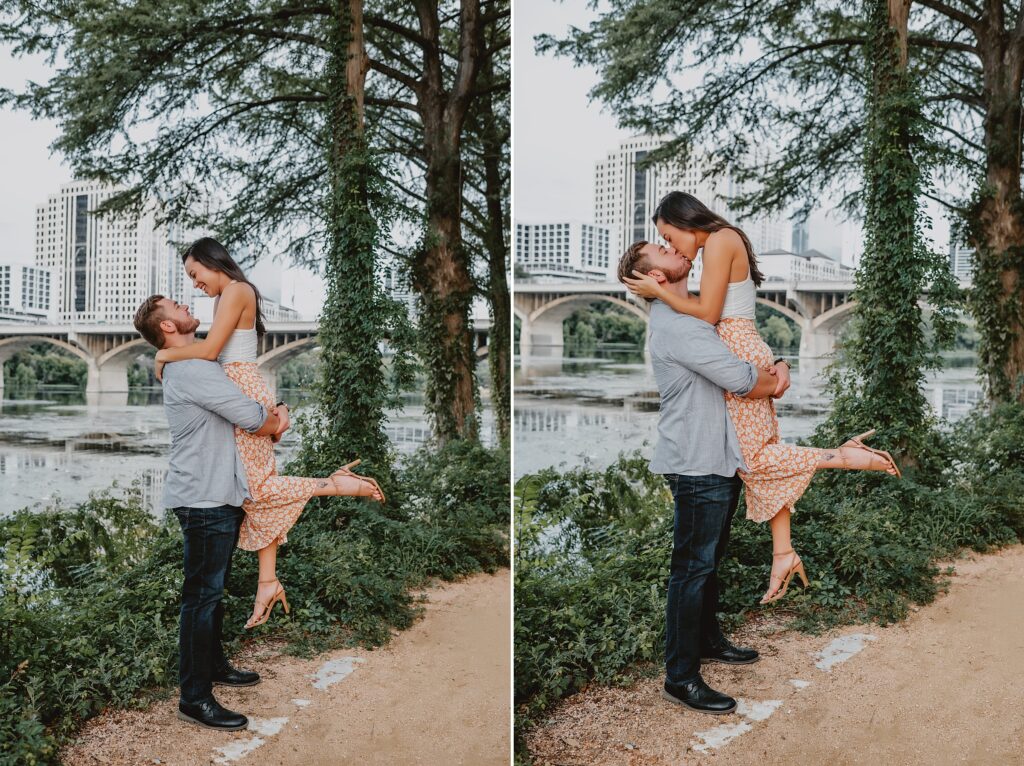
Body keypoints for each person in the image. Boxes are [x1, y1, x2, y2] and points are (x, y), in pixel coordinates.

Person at [622, 192, 900, 603]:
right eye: (662, 241)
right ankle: (783, 553)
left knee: (754, 458)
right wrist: (779, 359)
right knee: (759, 455)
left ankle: (845, 457)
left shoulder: (718, 241)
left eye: (668, 235)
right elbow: (716, 311)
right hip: (745, 346)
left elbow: (711, 315)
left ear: (685, 221)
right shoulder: (724, 241)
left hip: (736, 349)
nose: (672, 245)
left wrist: (659, 293)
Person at [133, 295, 378, 730]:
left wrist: (271, 415)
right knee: (201, 597)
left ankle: (213, 667)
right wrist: (279, 413)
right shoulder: (190, 369)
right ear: (167, 326)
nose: (187, 301)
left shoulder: (192, 359)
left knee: (213, 590)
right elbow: (253, 418)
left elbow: (249, 415)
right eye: (176, 303)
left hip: (220, 492)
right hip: (204, 498)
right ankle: (194, 697)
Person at [151, 238, 383, 629]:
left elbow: (209, 353)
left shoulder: (238, 291)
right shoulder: (224, 296)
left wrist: (162, 355)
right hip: (240, 388)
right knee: (257, 489)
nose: (195, 284)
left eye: (196, 274)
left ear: (213, 262)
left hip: (240, 388)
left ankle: (339, 484)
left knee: (258, 488)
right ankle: (267, 581)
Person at [615, 241, 782, 714]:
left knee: (707, 562)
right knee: (692, 569)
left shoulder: (690, 315)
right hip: (696, 461)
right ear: (658, 277)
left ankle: (708, 640)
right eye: (662, 249)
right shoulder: (678, 326)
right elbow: (743, 379)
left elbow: (744, 356)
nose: (675, 247)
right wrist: (776, 379)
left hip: (715, 455)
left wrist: (777, 364)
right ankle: (680, 677)